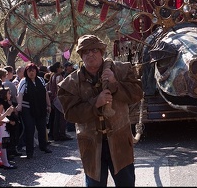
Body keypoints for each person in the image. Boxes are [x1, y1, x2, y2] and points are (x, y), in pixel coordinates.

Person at [58, 35, 143, 187]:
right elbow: (71, 114)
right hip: (91, 144)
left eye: (95, 50)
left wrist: (115, 83)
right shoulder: (70, 83)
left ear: (102, 52)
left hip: (120, 141)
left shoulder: (122, 70)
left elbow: (137, 94)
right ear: (81, 55)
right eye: (86, 51)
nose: (91, 54)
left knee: (126, 183)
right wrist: (95, 104)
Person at [16, 62, 52, 159]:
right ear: (26, 72)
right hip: (27, 109)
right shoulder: (23, 82)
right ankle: (30, 152)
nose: (31, 73)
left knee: (42, 128)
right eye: (29, 71)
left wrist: (48, 105)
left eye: (33, 71)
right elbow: (20, 94)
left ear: (36, 71)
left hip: (40, 108)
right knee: (30, 129)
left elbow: (45, 93)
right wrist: (19, 105)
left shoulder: (41, 80)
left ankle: (43, 146)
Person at [0, 87, 18, 169]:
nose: (10, 95)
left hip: (4, 126)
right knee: (2, 145)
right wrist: (9, 121)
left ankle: (3, 161)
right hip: (2, 127)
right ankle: (5, 163)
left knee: (3, 145)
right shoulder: (1, 104)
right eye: (8, 93)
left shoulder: (5, 102)